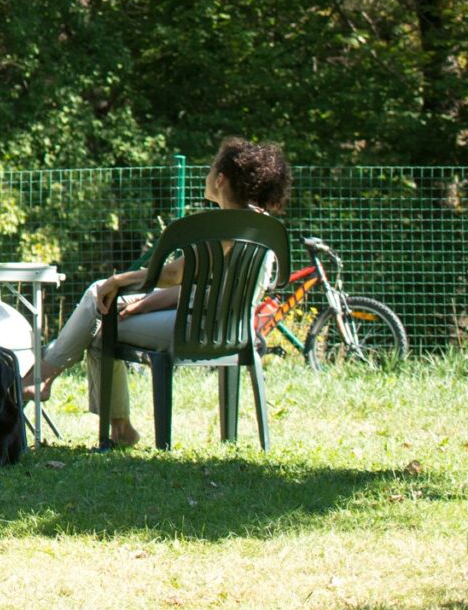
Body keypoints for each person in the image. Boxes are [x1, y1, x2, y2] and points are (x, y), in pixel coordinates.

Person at [25, 138, 294, 447]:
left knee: (100, 315)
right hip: (233, 329)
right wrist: (142, 305)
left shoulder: (223, 227)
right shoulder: (262, 226)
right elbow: (197, 289)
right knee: (102, 305)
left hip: (196, 329)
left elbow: (174, 275)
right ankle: (102, 417)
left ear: (220, 179)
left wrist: (118, 280)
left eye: (211, 169)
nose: (207, 174)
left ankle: (44, 378)